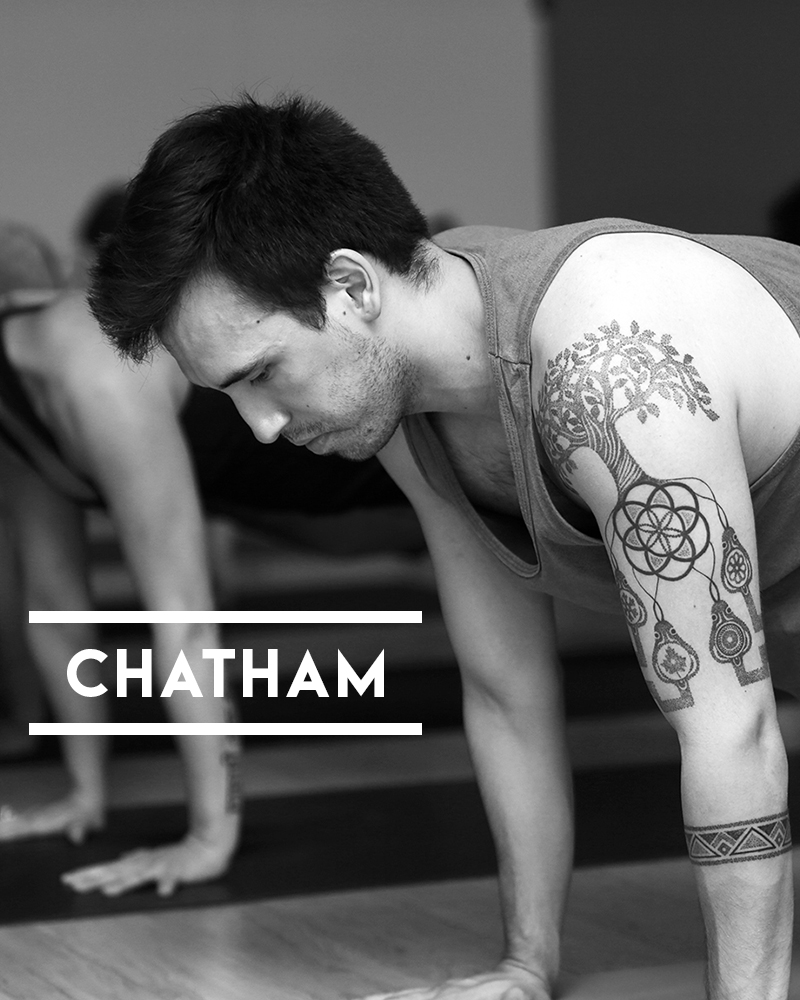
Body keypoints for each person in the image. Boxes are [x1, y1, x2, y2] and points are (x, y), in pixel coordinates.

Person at [88, 92, 800, 999]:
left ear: (350, 287)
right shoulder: (405, 409)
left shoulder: (610, 364)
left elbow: (729, 725)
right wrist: (525, 966)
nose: (259, 426)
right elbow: (507, 691)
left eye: (262, 375)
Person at [0, 219, 415, 899]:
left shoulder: (90, 368)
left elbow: (186, 619)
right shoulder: (12, 395)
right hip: (294, 504)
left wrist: (208, 836)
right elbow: (55, 605)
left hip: (363, 481)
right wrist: (85, 793)